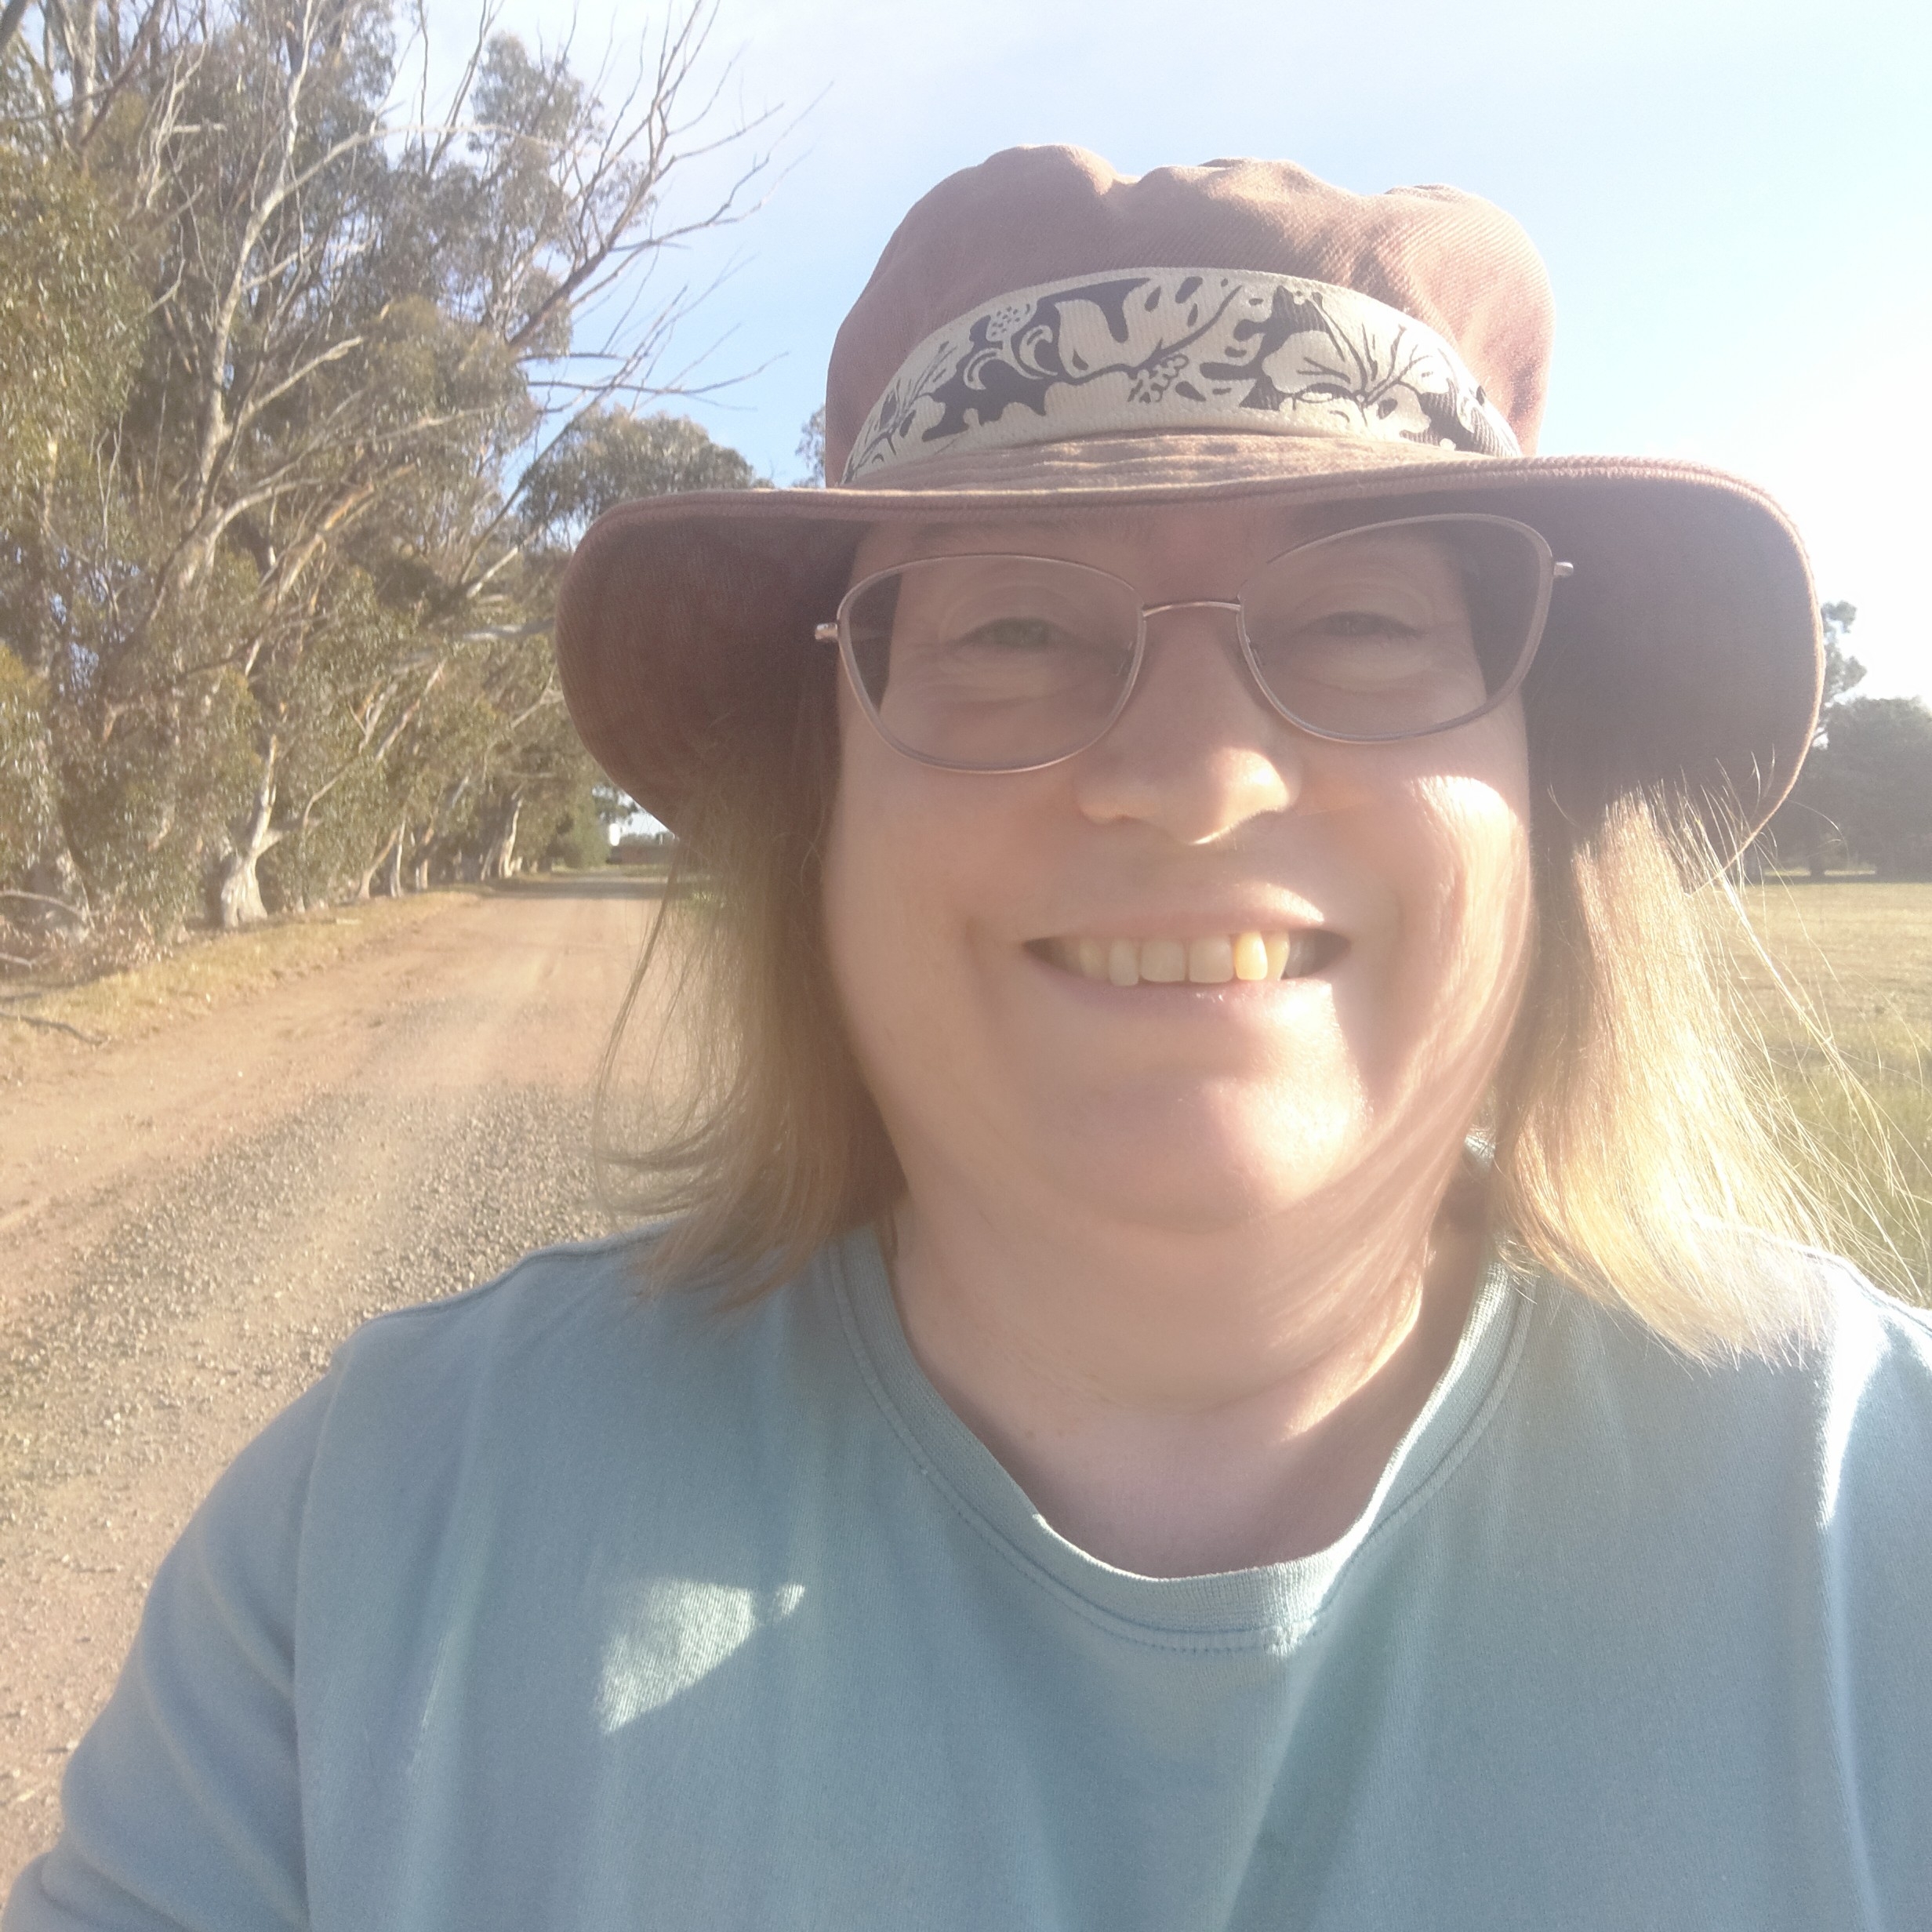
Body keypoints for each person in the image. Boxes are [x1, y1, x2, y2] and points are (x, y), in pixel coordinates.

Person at [8, 146, 1930, 1930]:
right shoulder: (379, 1536)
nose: (1195, 775)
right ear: (822, 806)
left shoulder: (1877, 1513)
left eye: (1360, 620)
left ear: (1537, 794)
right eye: (1011, 629)